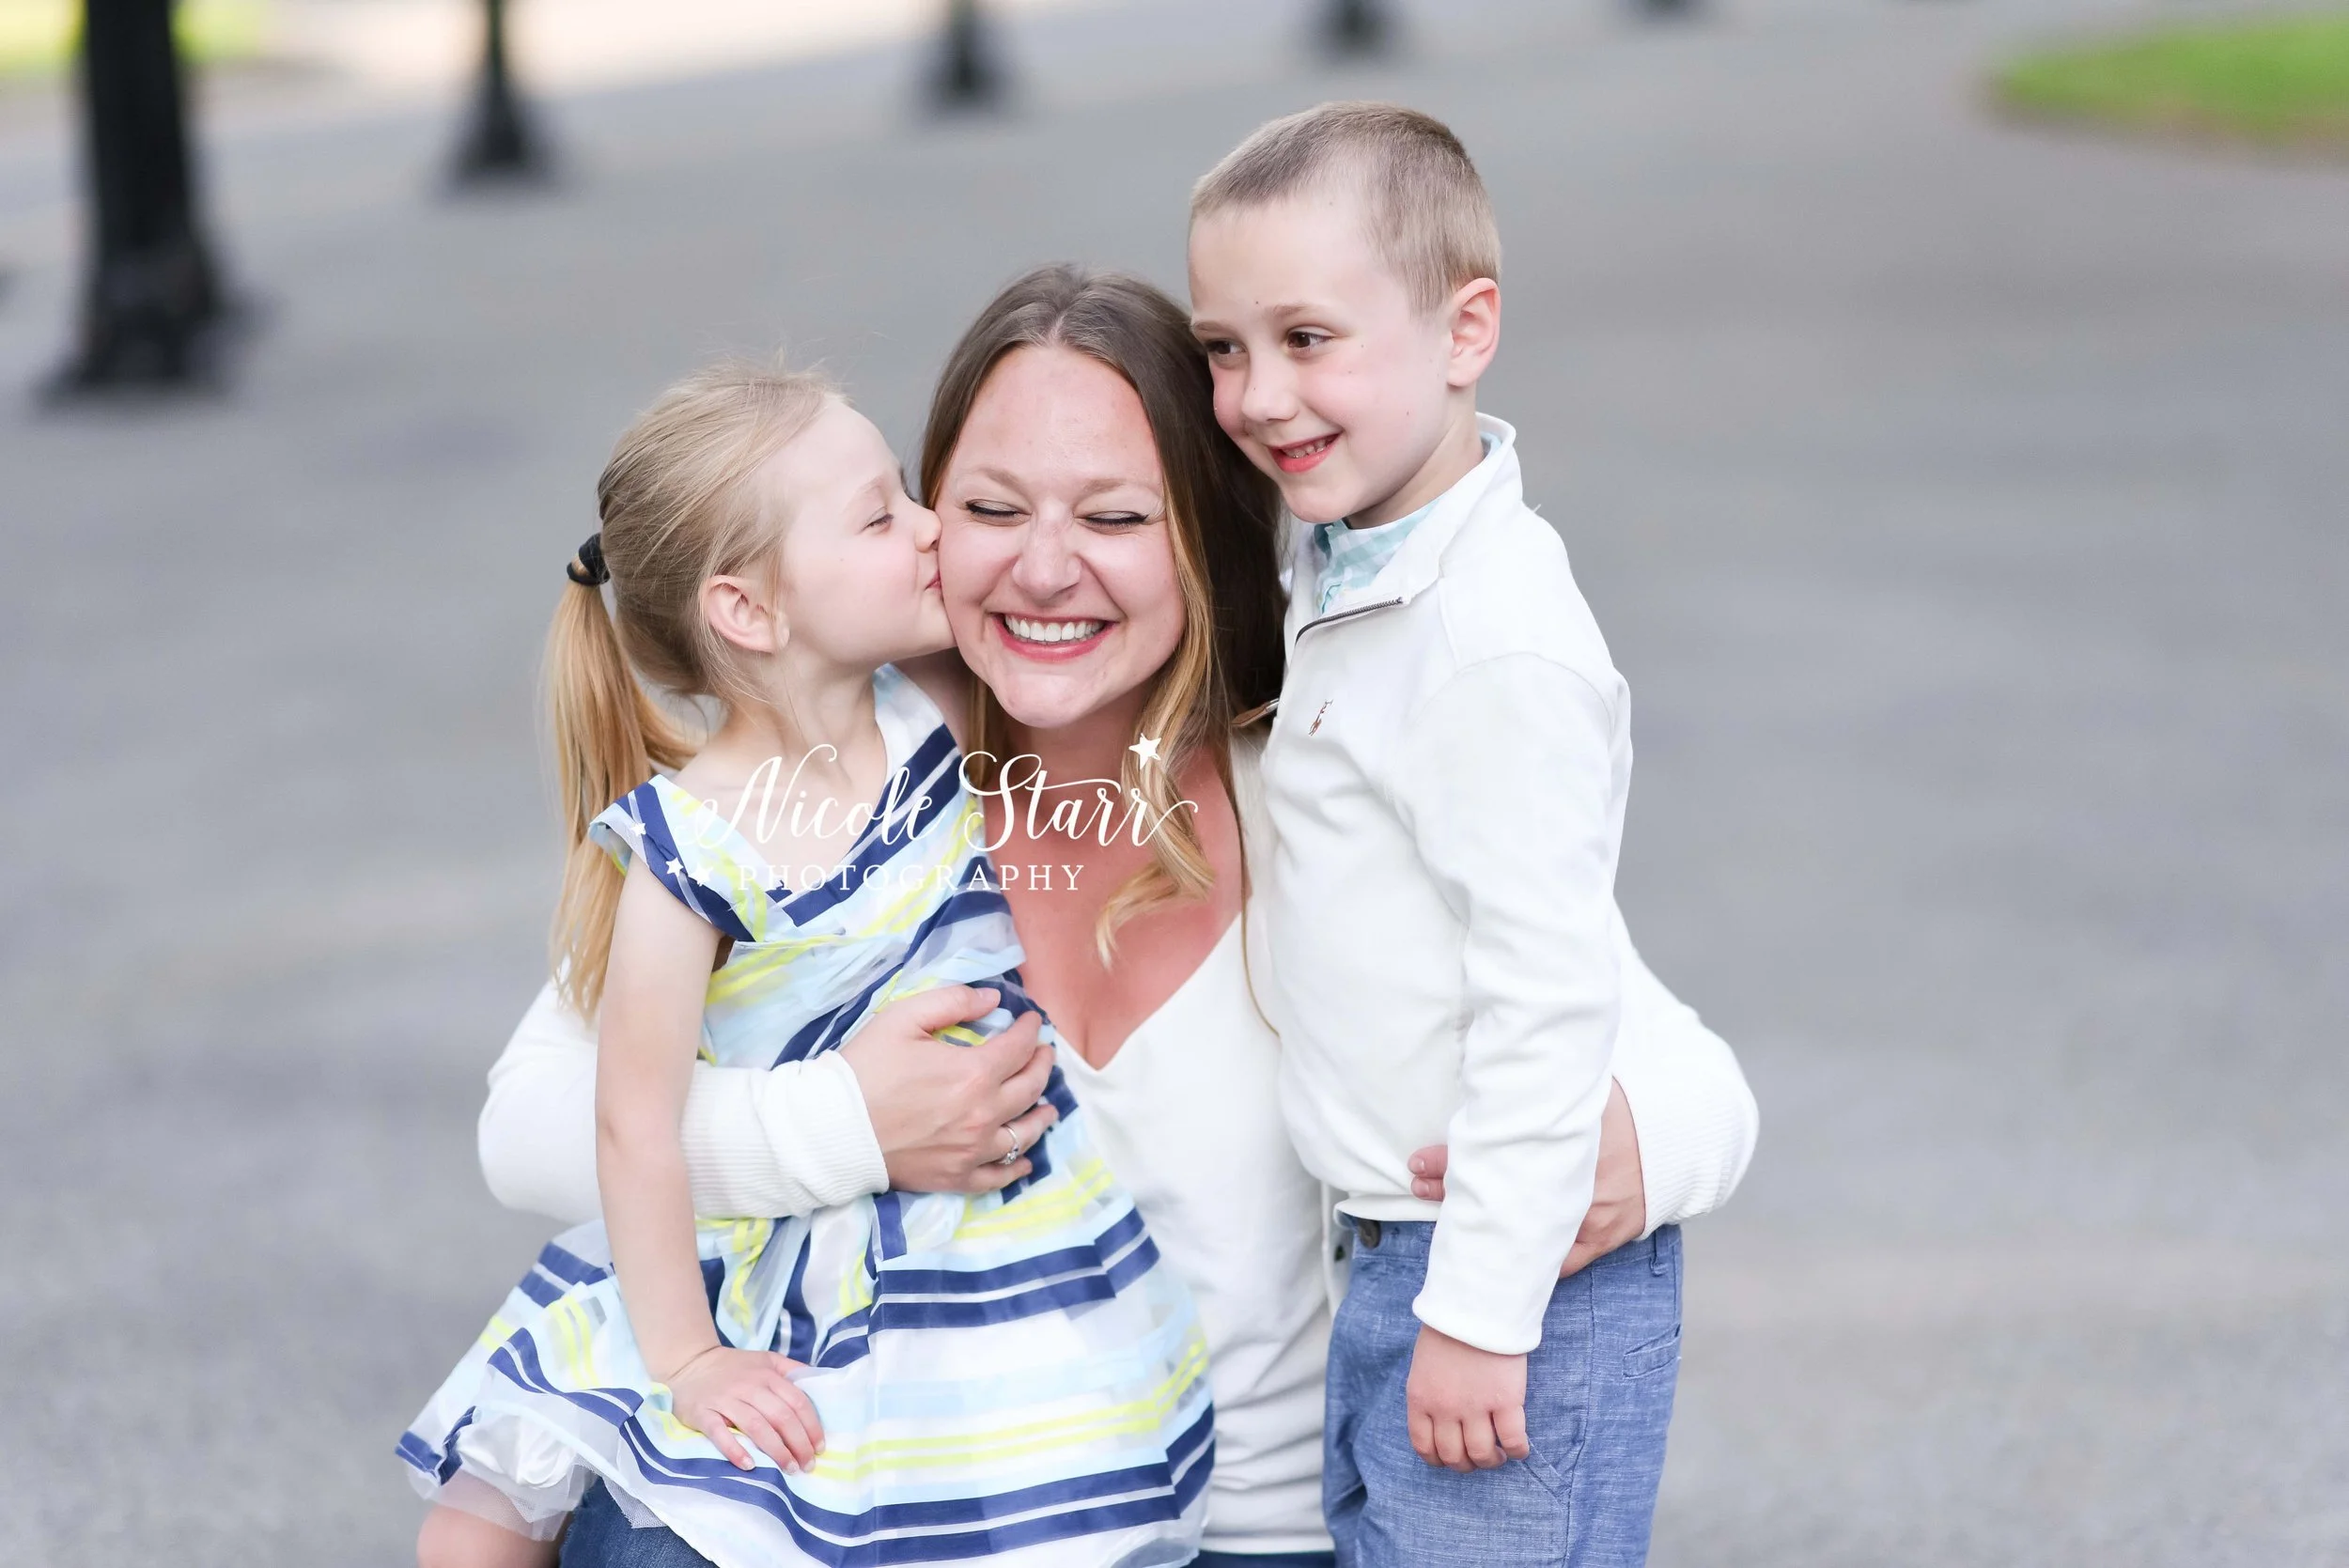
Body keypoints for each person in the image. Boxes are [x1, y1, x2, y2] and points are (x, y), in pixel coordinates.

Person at [474, 266, 1759, 1568]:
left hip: (1263, 1529)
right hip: (931, 1510)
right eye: (988, 507)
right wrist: (847, 1125)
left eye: (1114, 515)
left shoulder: (1311, 778)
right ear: (925, 530)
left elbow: (1688, 1078)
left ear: (1200, 532)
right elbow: (531, 1123)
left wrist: (1632, 1145)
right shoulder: (841, 791)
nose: (1044, 567)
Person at [400, 363, 1213, 1568]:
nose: (935, 527)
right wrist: (686, 1356)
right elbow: (631, 1119)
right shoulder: (690, 849)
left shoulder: (928, 709)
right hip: (768, 1254)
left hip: (984, 1238)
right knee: (485, 1512)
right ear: (748, 612)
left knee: (1012, 1495)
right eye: (884, 515)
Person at [1187, 102, 1682, 1566]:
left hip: (1512, 1286)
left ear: (1467, 331)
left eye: (1309, 338)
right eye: (1224, 348)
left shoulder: (1490, 637)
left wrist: (1479, 1310)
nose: (1260, 393)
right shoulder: (1347, 571)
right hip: (1392, 1262)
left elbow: (1548, 984)